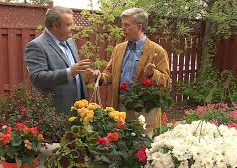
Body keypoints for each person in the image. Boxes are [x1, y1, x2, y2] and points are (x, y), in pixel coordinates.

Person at [97, 8, 170, 136]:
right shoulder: (118, 49)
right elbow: (109, 73)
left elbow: (167, 82)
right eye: (122, 25)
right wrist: (100, 77)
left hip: (144, 113)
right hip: (119, 110)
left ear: (139, 26)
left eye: (127, 25)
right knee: (119, 150)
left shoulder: (157, 51)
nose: (123, 28)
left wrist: (153, 74)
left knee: (141, 152)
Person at [25, 6, 91, 114]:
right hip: (57, 115)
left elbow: (76, 75)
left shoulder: (70, 41)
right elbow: (37, 78)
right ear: (55, 26)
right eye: (68, 25)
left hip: (79, 111)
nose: (73, 28)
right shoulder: (36, 46)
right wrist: (69, 72)